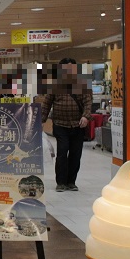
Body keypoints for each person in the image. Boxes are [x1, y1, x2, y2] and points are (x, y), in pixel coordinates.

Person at [41, 58, 92, 192]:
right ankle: (61, 182)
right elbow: (46, 104)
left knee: (75, 154)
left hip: (78, 125)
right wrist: (41, 120)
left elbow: (88, 103)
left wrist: (85, 116)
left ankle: (71, 182)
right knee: (62, 153)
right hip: (60, 125)